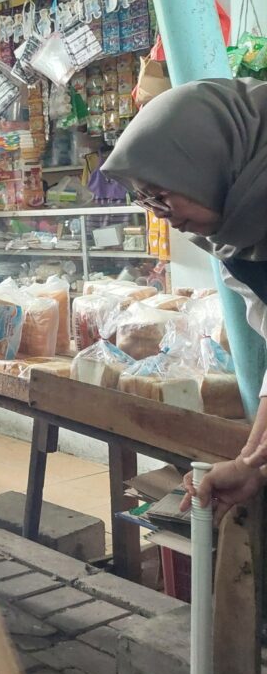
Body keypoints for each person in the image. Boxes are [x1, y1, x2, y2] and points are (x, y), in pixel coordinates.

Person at [100, 79, 267, 519]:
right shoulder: (237, 238)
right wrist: (252, 464)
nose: (159, 214)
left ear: (206, 162)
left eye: (159, 194)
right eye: (143, 199)